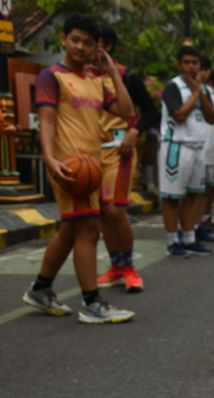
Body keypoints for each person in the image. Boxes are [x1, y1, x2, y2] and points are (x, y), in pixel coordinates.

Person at [22, 14, 135, 324]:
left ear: (97, 48)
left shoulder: (97, 81)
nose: (80, 47)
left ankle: (41, 288)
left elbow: (127, 112)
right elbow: (46, 120)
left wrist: (112, 72)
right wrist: (49, 158)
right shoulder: (52, 76)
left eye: (87, 42)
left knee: (71, 230)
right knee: (88, 228)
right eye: (75, 40)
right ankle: (92, 302)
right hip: (68, 166)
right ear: (64, 39)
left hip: (92, 166)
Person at [93, 21, 157, 294]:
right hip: (89, 153)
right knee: (102, 215)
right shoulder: (80, 76)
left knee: (115, 211)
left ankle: (128, 266)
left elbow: (152, 112)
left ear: (106, 46)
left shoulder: (126, 77)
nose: (84, 47)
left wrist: (134, 131)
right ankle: (115, 265)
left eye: (91, 42)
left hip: (119, 151)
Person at [158, 45, 214, 257]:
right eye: (187, 62)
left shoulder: (203, 90)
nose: (191, 67)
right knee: (172, 197)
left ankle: (189, 237)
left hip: (198, 147)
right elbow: (180, 114)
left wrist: (199, 92)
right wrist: (194, 92)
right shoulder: (172, 87)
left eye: (195, 63)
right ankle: (173, 240)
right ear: (179, 64)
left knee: (193, 195)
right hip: (176, 145)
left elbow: (212, 118)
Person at [195, 55, 214, 241]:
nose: (201, 74)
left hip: (212, 146)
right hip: (196, 146)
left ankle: (206, 219)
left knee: (210, 186)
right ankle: (194, 225)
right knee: (197, 188)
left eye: (204, 70)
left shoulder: (211, 93)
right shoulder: (186, 90)